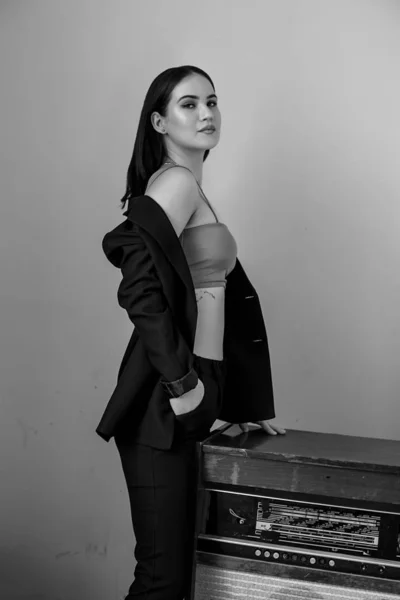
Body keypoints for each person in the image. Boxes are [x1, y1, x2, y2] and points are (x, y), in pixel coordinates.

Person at [96, 65, 286, 600]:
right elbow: (133, 268)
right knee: (163, 578)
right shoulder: (176, 182)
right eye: (188, 104)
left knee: (181, 577)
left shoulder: (192, 188)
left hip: (200, 388)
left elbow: (219, 298)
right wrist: (184, 384)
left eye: (212, 101)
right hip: (165, 396)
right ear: (159, 121)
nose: (206, 114)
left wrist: (233, 396)